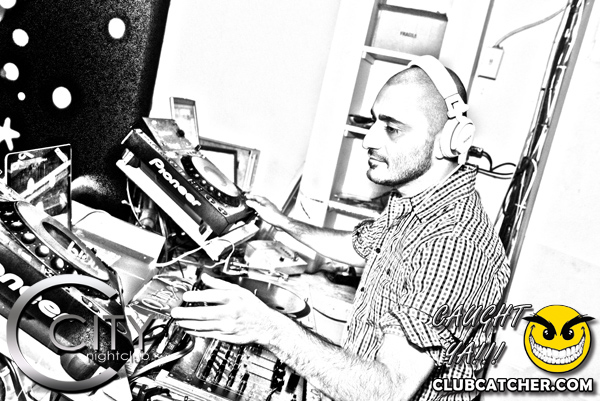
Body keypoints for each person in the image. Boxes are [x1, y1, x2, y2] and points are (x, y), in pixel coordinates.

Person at [171, 56, 510, 401]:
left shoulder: (452, 242)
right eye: (374, 122)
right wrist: (285, 222)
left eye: (392, 128)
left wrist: (267, 327)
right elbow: (360, 246)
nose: (368, 140)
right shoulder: (417, 203)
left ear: (449, 140)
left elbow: (388, 393)